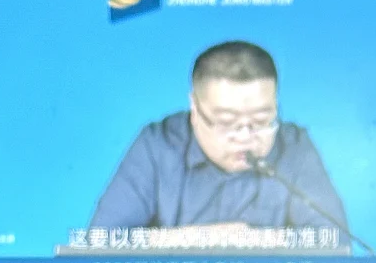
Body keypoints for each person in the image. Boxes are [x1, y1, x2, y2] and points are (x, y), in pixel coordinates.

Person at [90, 40, 350, 246]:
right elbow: (102, 242)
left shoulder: (294, 147)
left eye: (262, 120)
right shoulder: (158, 145)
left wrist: (253, 240)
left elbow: (335, 242)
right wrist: (205, 239)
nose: (245, 136)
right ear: (195, 108)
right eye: (227, 122)